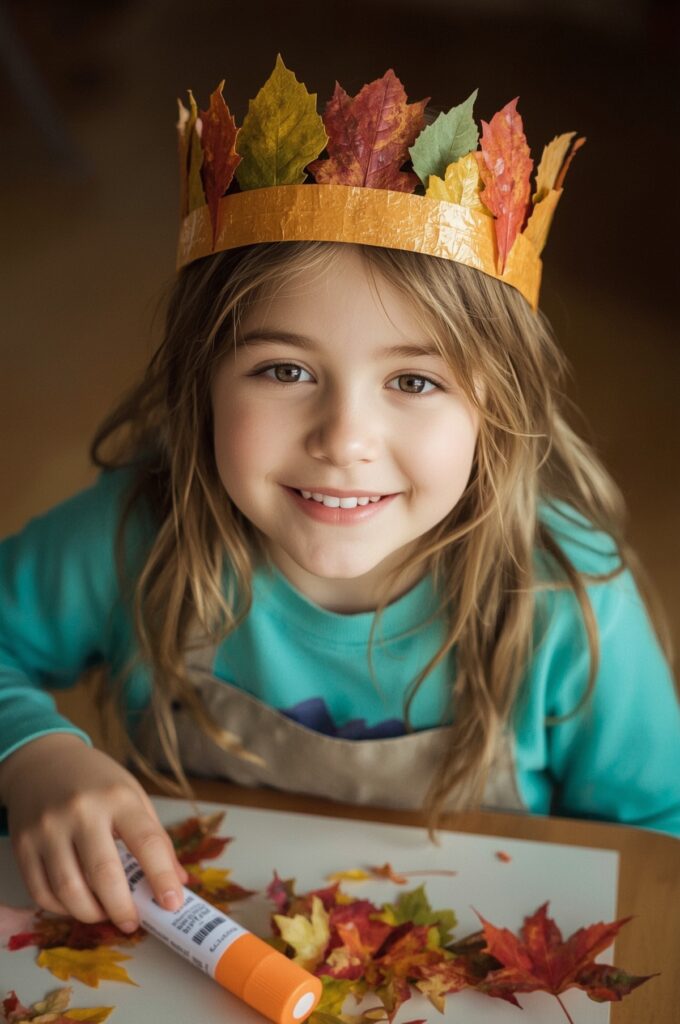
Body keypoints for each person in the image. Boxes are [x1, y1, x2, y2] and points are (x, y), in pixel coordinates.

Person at [1, 59, 678, 942]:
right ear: (200, 382)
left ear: (498, 405)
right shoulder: (135, 534)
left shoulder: (567, 593)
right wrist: (32, 754)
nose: (344, 438)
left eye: (413, 380)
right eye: (284, 371)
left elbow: (658, 844)